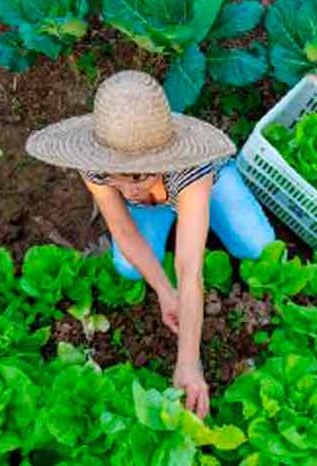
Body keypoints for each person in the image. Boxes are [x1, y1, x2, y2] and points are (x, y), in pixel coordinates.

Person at [25, 70, 276, 419]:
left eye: (139, 175)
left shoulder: (191, 167)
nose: (127, 189)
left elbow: (189, 269)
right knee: (128, 266)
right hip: (153, 206)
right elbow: (122, 229)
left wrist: (189, 362)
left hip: (204, 187)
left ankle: (205, 215)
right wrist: (163, 290)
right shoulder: (97, 163)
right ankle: (183, 223)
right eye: (117, 175)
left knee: (258, 247)